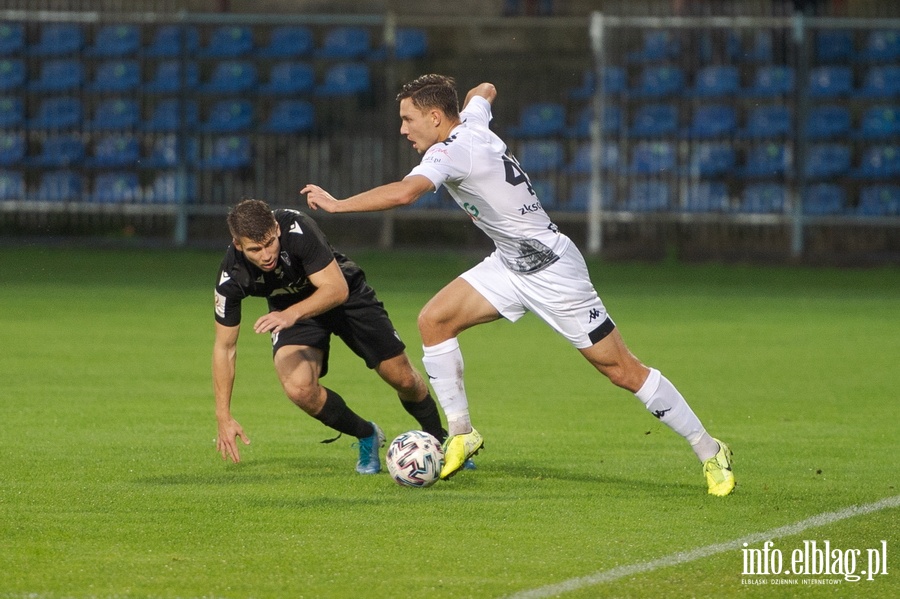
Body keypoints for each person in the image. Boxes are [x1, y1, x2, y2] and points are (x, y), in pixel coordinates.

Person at [301, 74, 735, 496]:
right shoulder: (471, 120)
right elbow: (485, 88)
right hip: (509, 265)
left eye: (407, 119)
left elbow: (404, 193)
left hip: (554, 271)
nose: (402, 129)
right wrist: (477, 97)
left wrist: (339, 205)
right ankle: (461, 433)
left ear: (435, 117)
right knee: (434, 321)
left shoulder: (449, 152)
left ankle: (710, 450)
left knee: (621, 369)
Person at [213, 198, 446, 474]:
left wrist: (291, 315)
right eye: (255, 249)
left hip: (344, 295)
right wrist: (223, 415)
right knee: (298, 388)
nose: (266, 255)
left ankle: (440, 441)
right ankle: (366, 434)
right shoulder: (232, 275)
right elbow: (224, 348)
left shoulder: (297, 228)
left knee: (404, 378)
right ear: (238, 245)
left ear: (276, 228)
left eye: (269, 243)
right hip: (291, 311)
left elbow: (336, 290)